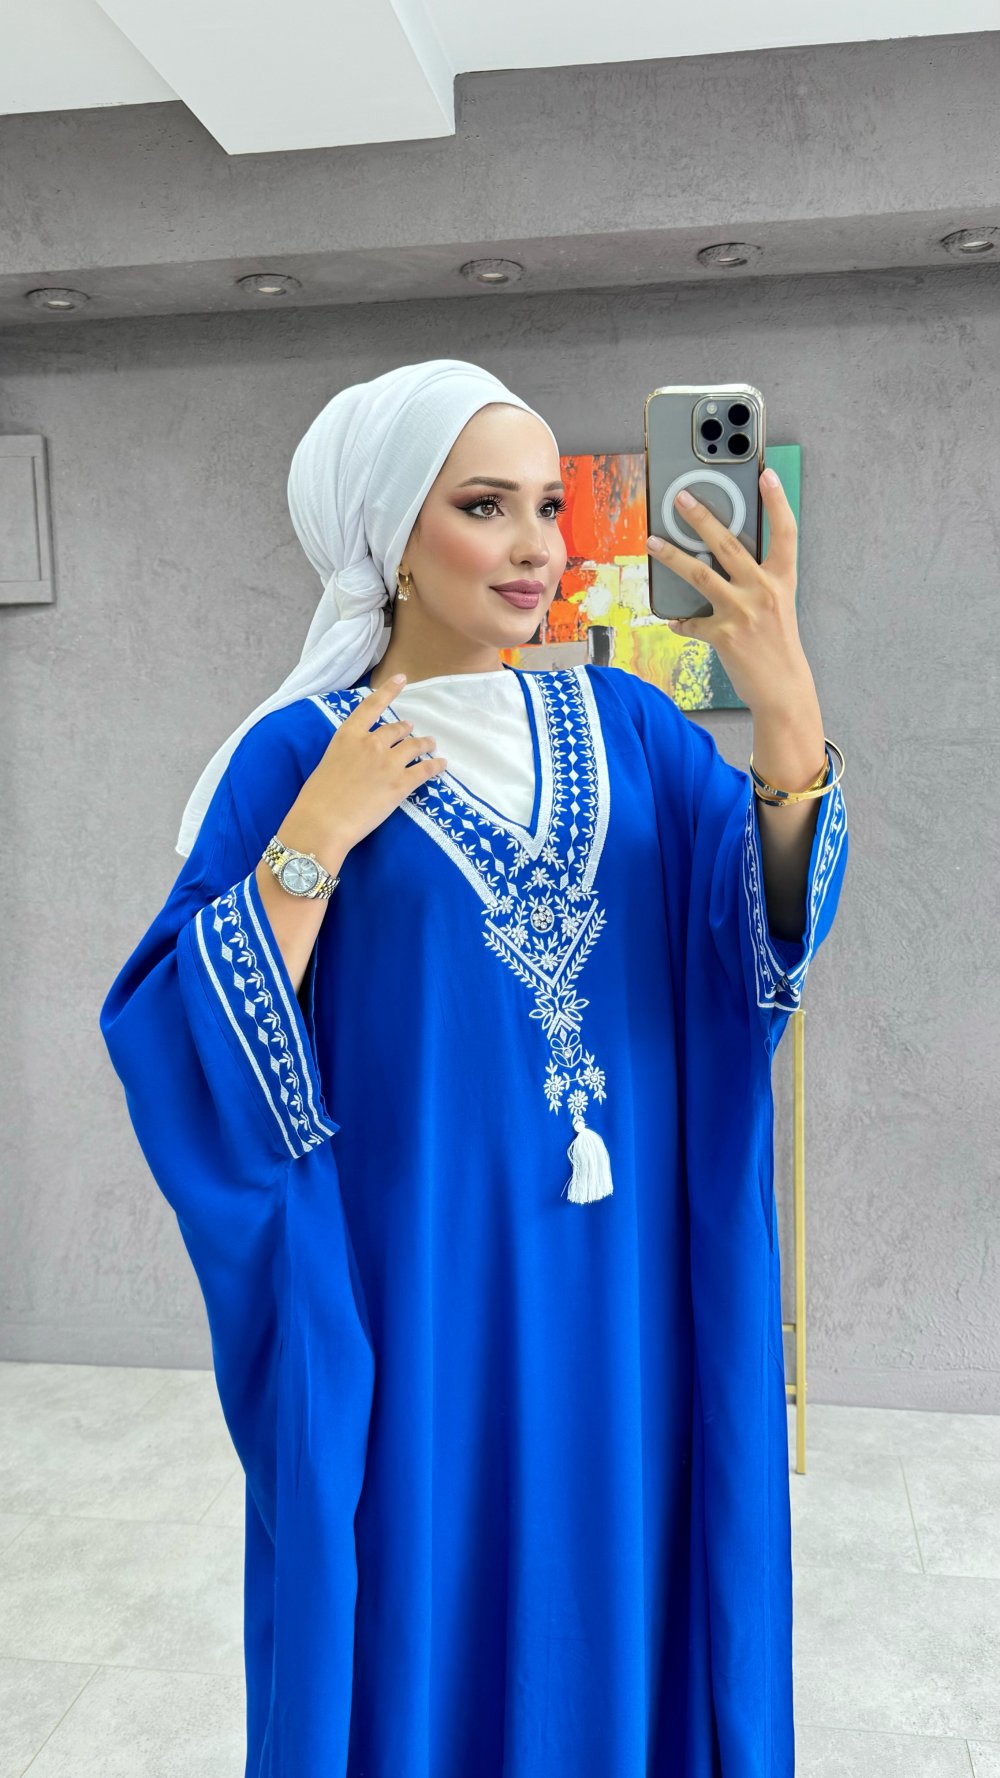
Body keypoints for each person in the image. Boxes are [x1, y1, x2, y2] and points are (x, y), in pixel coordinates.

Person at [99, 358, 848, 1777]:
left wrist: (787, 712)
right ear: (393, 537)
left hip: (627, 1303)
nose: (535, 546)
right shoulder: (293, 756)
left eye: (549, 507)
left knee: (619, 1582)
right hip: (420, 1304)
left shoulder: (632, 729)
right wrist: (314, 839)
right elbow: (183, 1041)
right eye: (485, 506)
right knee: (417, 1596)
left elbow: (759, 952)